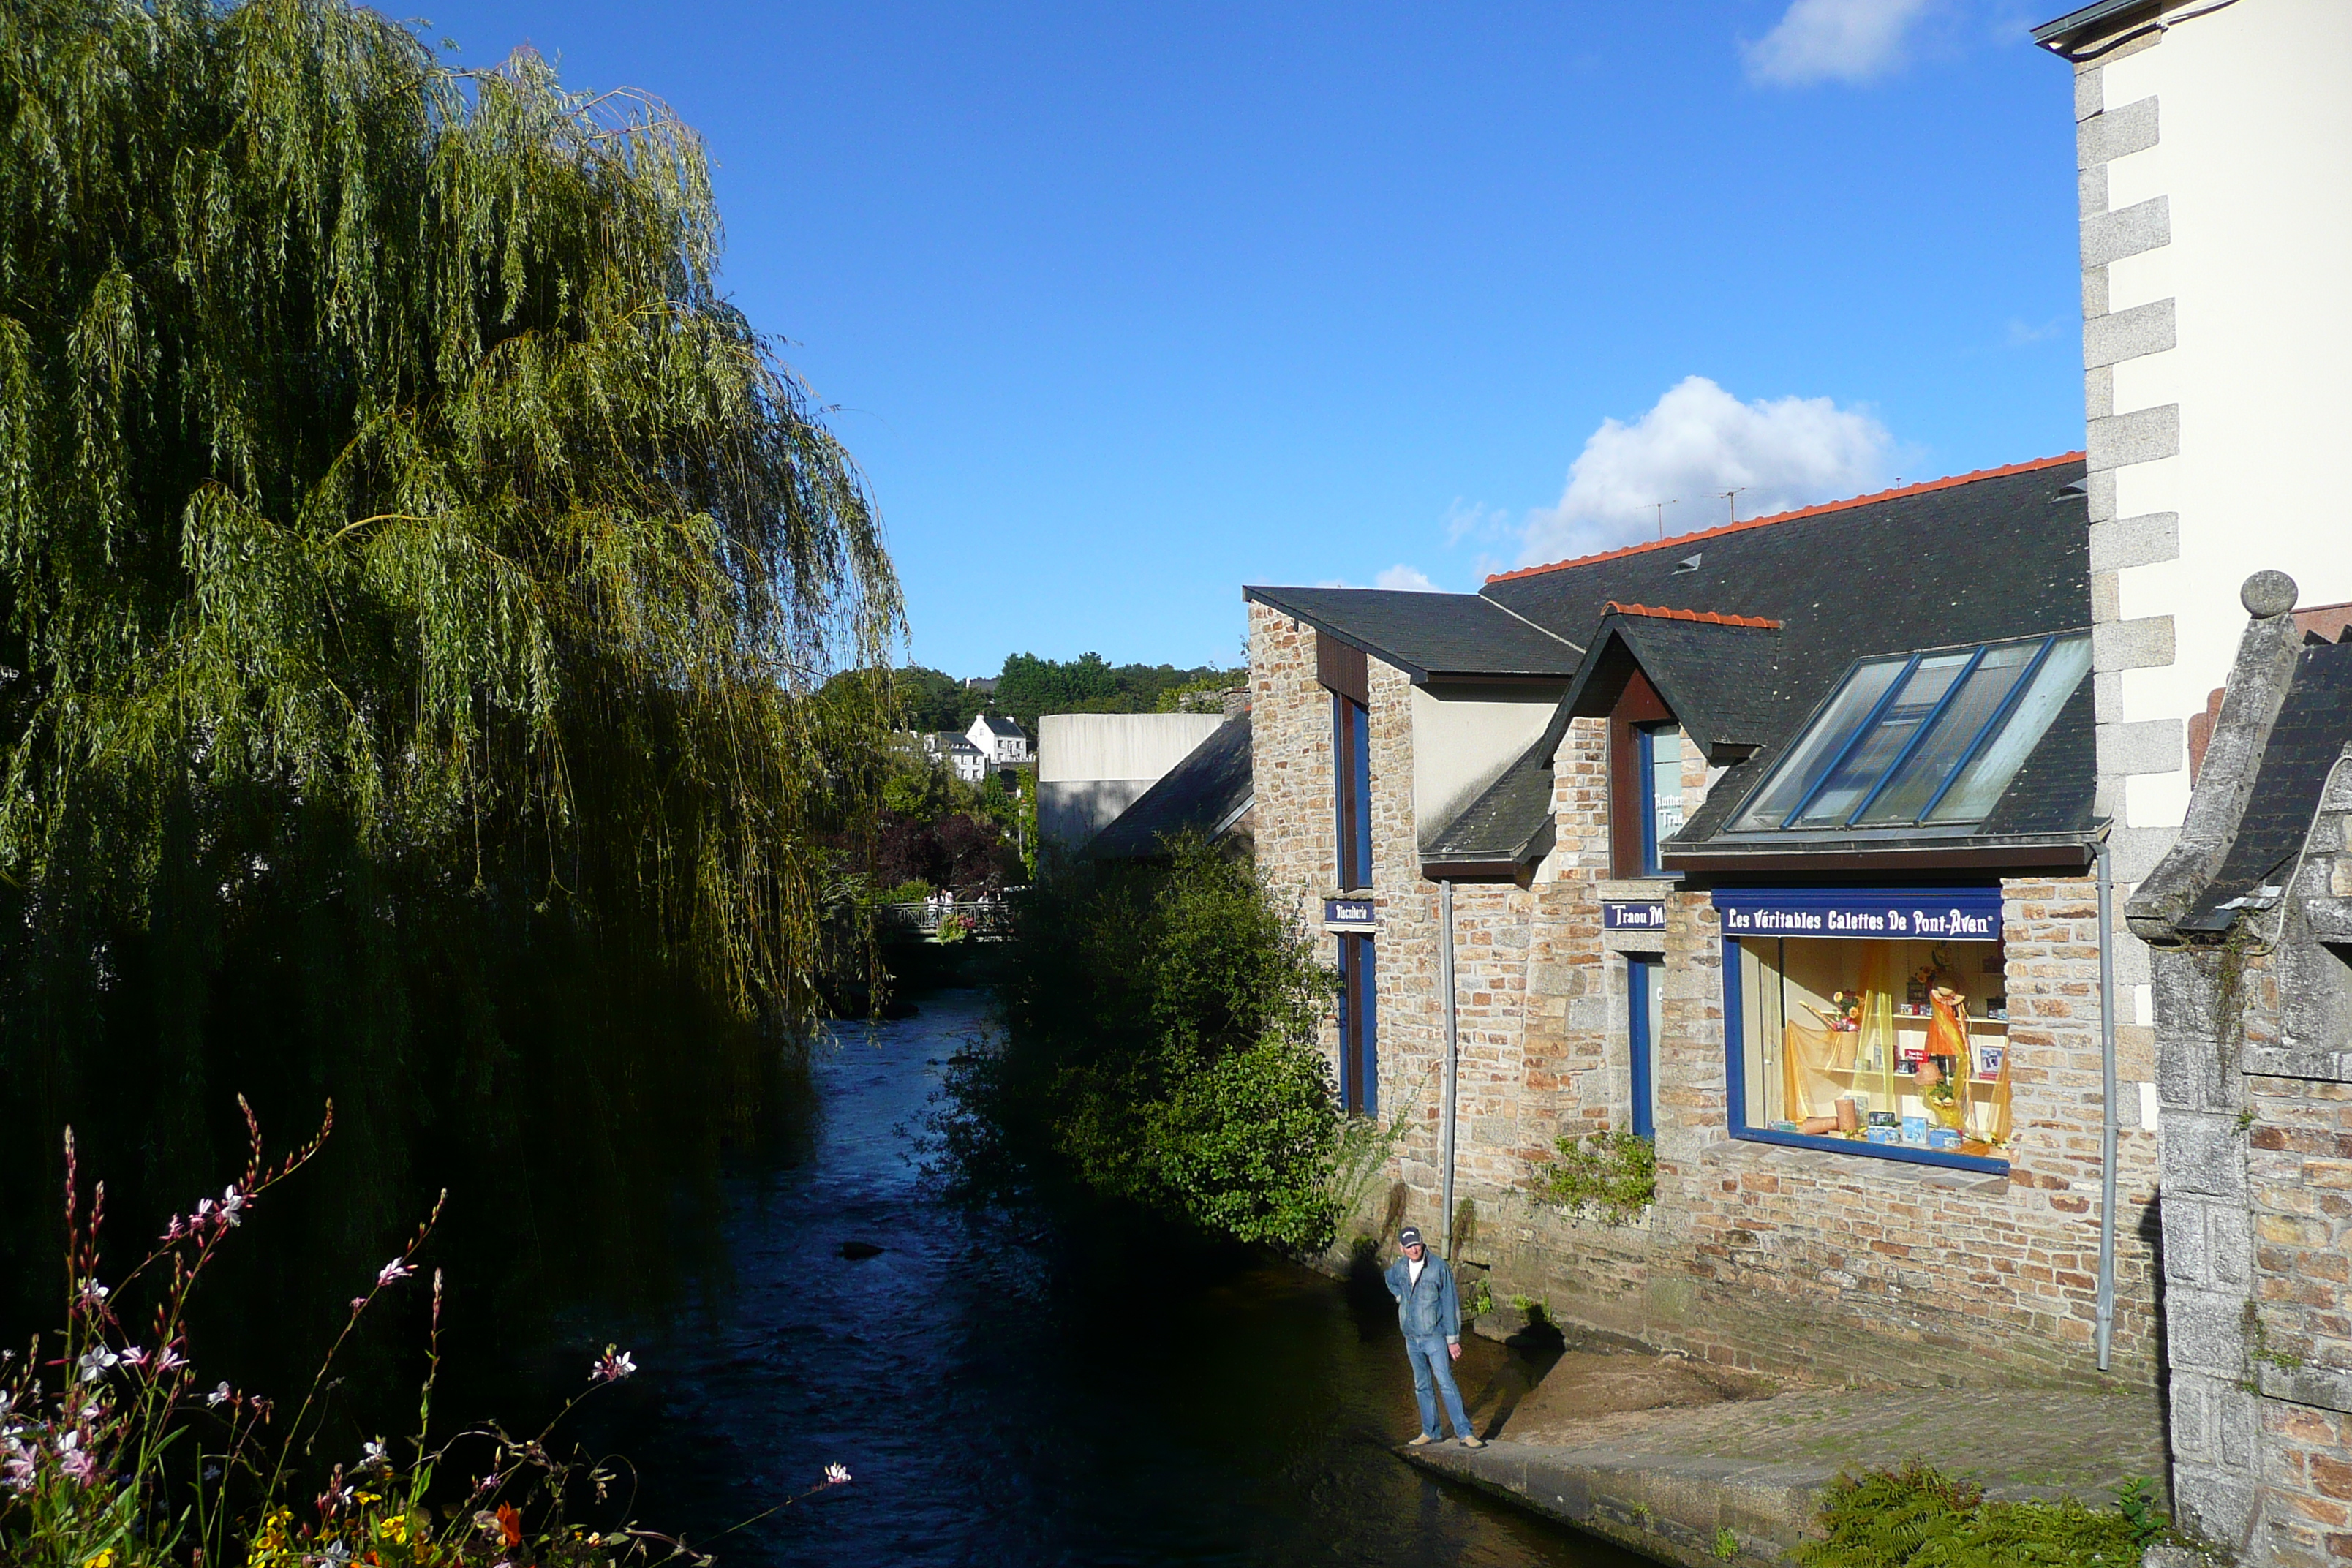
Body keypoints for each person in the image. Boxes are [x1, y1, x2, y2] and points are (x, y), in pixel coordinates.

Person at [1384, 1226, 1483, 1448]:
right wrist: (1400, 1297)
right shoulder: (1399, 1268)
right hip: (1411, 1337)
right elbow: (1389, 1279)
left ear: (1422, 1242)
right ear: (1402, 1248)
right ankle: (1430, 1431)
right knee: (1422, 1385)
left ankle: (1465, 1433)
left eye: (1416, 1244)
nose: (1414, 1250)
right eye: (1408, 1246)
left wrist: (1453, 1340)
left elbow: (1450, 1304)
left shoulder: (1439, 1268)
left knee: (1446, 1382)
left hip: (1435, 1337)